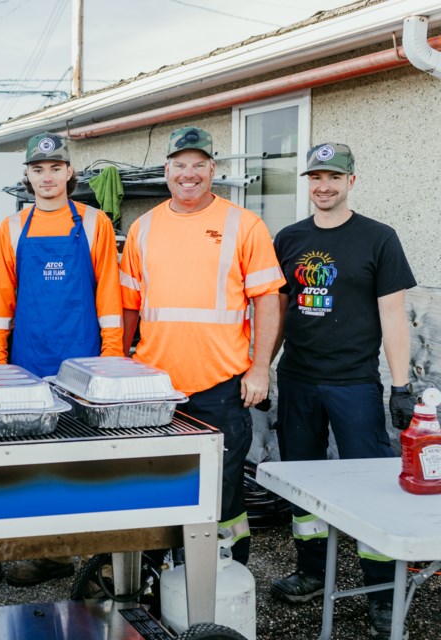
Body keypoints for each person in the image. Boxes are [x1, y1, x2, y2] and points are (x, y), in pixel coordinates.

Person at [269, 143, 417, 639]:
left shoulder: (378, 238)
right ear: (307, 183)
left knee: (374, 486)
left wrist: (401, 387)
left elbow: (393, 316)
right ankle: (311, 572)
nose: (323, 186)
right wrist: (259, 371)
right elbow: (278, 313)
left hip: (354, 383)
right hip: (297, 381)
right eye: (315, 177)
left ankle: (380, 590)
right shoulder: (288, 239)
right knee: (301, 481)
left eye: (333, 177)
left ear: (351, 181)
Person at [119, 126, 284, 566]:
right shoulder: (143, 227)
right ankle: (155, 574)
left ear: (212, 169)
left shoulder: (243, 224)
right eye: (179, 165)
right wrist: (118, 363)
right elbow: (129, 306)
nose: (188, 174)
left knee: (223, 490)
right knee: (156, 482)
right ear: (166, 169)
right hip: (156, 390)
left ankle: (226, 576)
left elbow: (268, 300)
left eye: (198, 165)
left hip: (221, 387)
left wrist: (260, 368)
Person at [0, 132, 124, 587]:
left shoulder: (95, 222)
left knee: (80, 464)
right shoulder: (13, 226)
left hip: (82, 362)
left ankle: (66, 554)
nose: (46, 177)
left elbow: (108, 293)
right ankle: (16, 547)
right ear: (27, 175)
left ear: (69, 173)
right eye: (37, 169)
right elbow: (1, 299)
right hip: (27, 360)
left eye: (55, 168)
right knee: (23, 462)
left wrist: (113, 357)